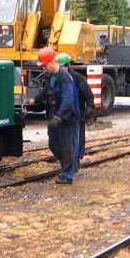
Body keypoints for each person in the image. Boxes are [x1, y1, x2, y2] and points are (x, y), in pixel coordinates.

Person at [36, 47, 81, 184]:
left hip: (67, 119)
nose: (43, 69)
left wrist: (60, 116)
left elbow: (68, 100)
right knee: (54, 144)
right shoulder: (51, 77)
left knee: (67, 146)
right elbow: (46, 92)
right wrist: (35, 100)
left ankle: (68, 175)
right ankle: (70, 165)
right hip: (55, 117)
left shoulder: (65, 77)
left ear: (51, 62)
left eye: (44, 66)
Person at [56, 53, 94, 161]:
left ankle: (77, 158)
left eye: (61, 67)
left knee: (77, 137)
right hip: (63, 115)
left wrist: (89, 109)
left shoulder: (78, 79)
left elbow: (88, 95)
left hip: (77, 114)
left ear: (67, 66)